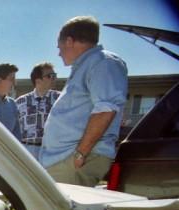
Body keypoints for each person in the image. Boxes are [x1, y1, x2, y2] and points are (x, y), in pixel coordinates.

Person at [41, 16, 128, 187]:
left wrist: (80, 155)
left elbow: (106, 110)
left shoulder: (103, 63)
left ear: (69, 41)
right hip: (65, 158)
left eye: (59, 47)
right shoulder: (87, 65)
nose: (59, 53)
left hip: (75, 159)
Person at [16, 62, 61, 160]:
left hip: (53, 150)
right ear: (38, 80)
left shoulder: (61, 99)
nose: (54, 78)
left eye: (55, 75)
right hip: (27, 151)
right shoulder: (20, 101)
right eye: (50, 76)